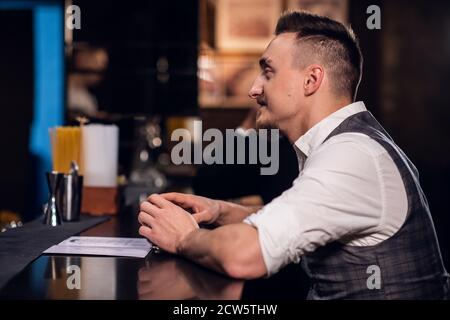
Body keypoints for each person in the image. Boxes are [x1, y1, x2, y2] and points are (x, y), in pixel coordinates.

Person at [138, 11, 450, 299]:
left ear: (311, 80)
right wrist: (220, 211)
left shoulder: (352, 156)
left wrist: (183, 237)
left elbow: (243, 257)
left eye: (268, 72)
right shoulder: (343, 143)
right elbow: (301, 220)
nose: (254, 89)